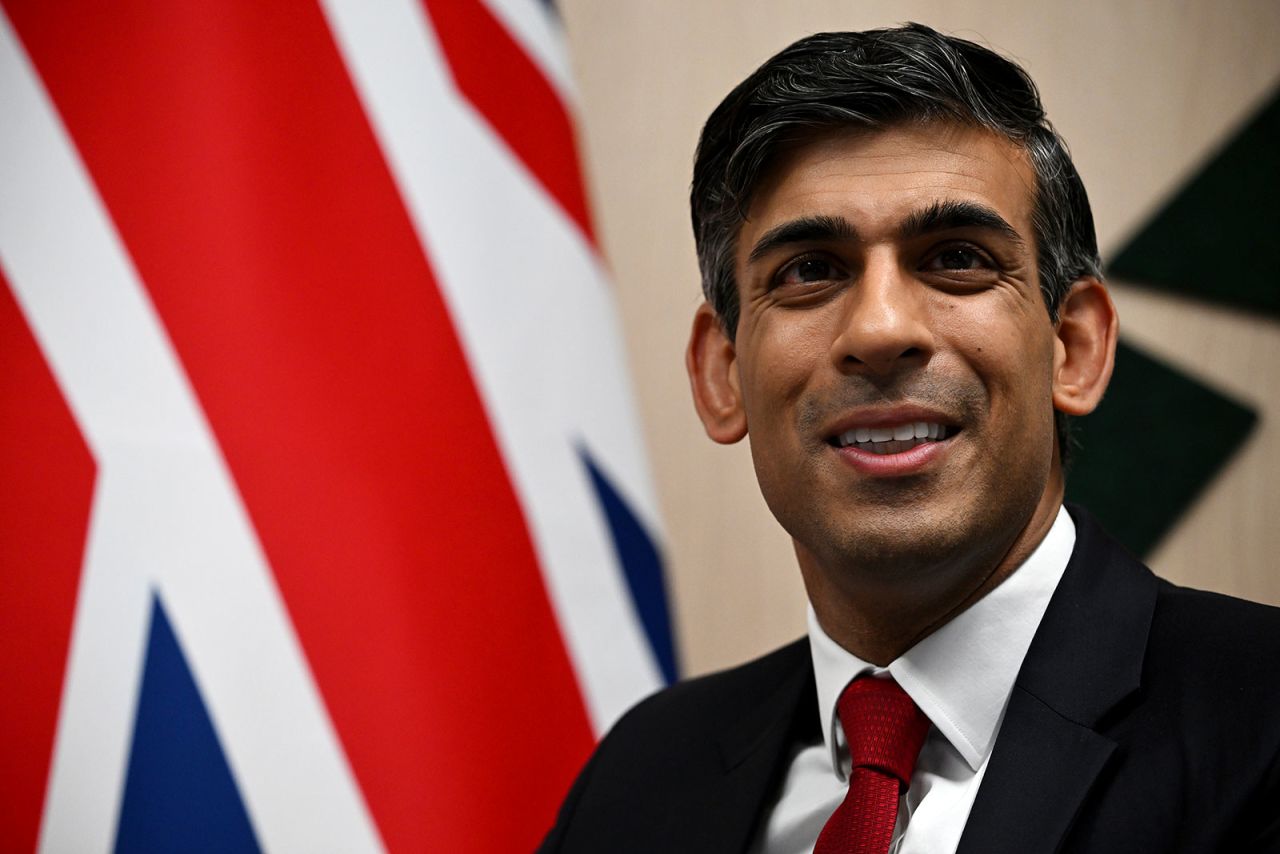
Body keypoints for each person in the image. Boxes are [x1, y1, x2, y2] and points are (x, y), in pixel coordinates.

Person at [540, 23, 1280, 854]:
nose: (882, 328)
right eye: (810, 270)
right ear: (721, 374)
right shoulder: (639, 780)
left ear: (1073, 349)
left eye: (956, 257)